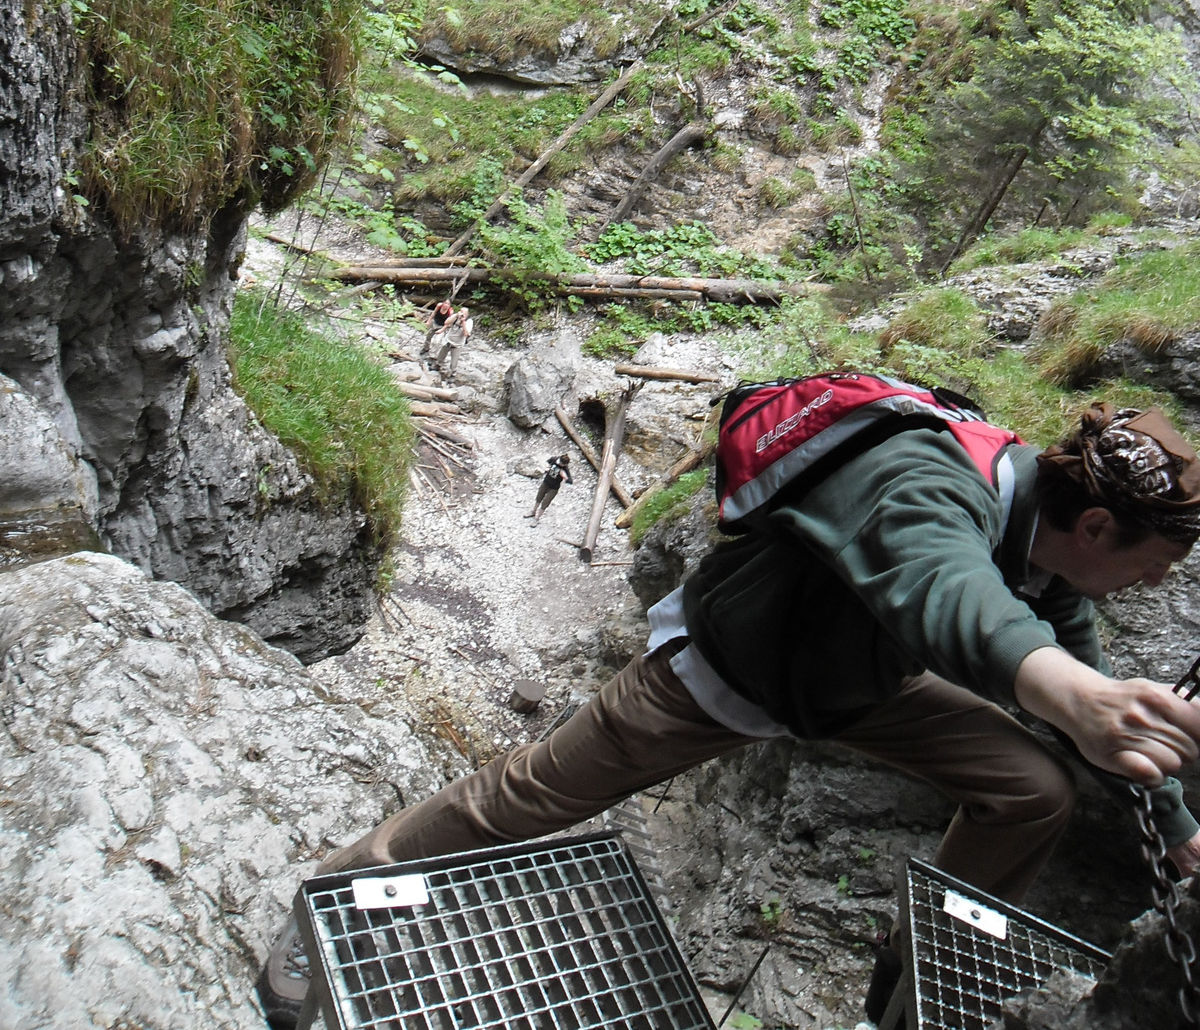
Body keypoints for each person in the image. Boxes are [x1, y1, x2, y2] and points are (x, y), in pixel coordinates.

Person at [258, 401, 1200, 1029]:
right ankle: (330, 902)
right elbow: (939, 584)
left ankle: (910, 986)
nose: (1157, 582)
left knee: (1033, 788)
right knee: (531, 796)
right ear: (1094, 529)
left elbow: (1084, 672)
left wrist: (1177, 828)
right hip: (731, 671)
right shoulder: (930, 478)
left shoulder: (1052, 556)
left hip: (858, 685)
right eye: (1155, 561)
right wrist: (1069, 694)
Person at [527, 453, 572, 522]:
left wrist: (564, 476)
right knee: (538, 498)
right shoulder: (555, 459)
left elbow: (570, 481)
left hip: (553, 488)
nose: (559, 464)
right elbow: (547, 462)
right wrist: (547, 467)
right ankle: (533, 511)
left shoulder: (565, 469)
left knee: (545, 503)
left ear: (565, 464)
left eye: (561, 464)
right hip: (545, 483)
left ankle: (537, 518)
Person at [434, 305, 472, 381]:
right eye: (461, 311)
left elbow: (466, 334)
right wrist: (455, 316)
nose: (461, 314)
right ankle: (438, 365)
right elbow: (446, 323)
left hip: (458, 344)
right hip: (448, 340)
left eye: (463, 313)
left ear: (467, 314)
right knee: (441, 354)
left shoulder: (469, 322)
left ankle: (452, 374)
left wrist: (463, 322)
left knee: (454, 361)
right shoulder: (455, 317)